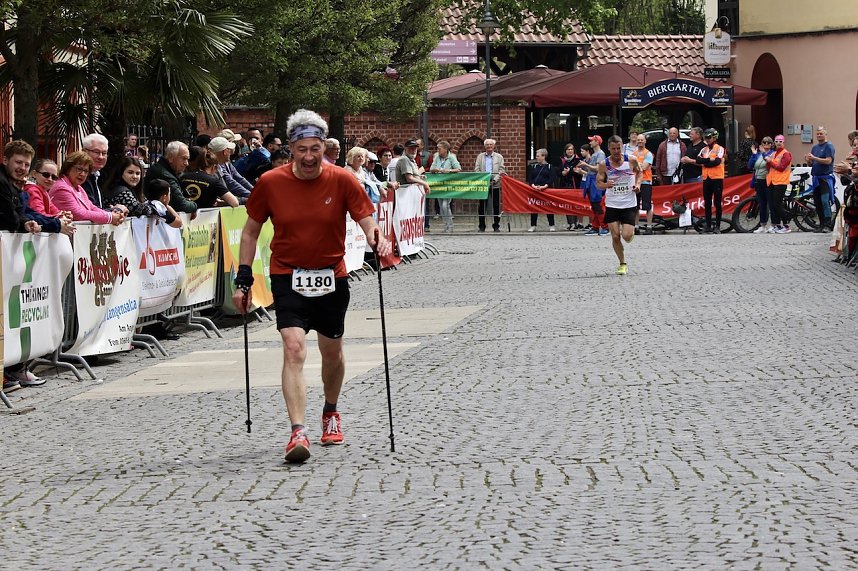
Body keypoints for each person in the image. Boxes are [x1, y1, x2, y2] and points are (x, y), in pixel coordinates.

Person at [231, 109, 392, 464]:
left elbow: (367, 220)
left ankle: (330, 411)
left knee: (331, 352)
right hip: (288, 276)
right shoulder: (270, 183)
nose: (308, 157)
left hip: (331, 276)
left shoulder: (342, 180)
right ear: (291, 148)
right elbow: (250, 231)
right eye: (301, 149)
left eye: (315, 149)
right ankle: (297, 430)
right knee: (293, 348)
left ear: (324, 148)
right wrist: (243, 276)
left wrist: (376, 239)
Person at [0, 140, 45, 393]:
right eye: (18, 162)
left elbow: (20, 211)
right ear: (6, 160)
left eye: (26, 164)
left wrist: (27, 222)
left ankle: (11, 369)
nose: (22, 168)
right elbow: (8, 214)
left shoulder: (14, 186)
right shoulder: (2, 183)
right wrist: (23, 222)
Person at [596, 135, 641, 275]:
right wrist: (606, 184)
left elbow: (640, 173)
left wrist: (638, 184)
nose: (616, 151)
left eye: (618, 148)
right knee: (615, 236)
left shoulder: (631, 160)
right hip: (612, 203)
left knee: (626, 236)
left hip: (628, 203)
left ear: (622, 146)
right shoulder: (604, 164)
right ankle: (622, 263)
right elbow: (598, 184)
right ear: (609, 148)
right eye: (613, 148)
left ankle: (630, 234)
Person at [50, 151, 127, 225]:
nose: (83, 174)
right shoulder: (61, 188)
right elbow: (78, 214)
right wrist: (109, 217)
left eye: (86, 171)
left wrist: (114, 215)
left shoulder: (79, 188)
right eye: (79, 169)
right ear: (68, 168)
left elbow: (92, 208)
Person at [145, 141, 197, 215]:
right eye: (184, 159)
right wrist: (194, 205)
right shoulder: (165, 175)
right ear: (171, 158)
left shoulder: (168, 172)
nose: (186, 163)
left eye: (187, 159)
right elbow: (182, 205)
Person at [692, 128, 726, 233]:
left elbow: (716, 162)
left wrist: (705, 162)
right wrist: (708, 161)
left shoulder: (720, 148)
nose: (707, 139)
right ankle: (708, 225)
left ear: (714, 138)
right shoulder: (704, 149)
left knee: (717, 202)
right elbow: (698, 160)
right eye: (706, 138)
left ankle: (718, 226)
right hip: (706, 179)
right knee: (707, 202)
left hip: (716, 178)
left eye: (709, 137)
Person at [805, 126, 836, 232]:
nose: (819, 135)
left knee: (824, 201)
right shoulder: (815, 147)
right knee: (817, 202)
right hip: (816, 178)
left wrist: (814, 158)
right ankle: (821, 224)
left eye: (821, 133)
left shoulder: (829, 146)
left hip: (825, 178)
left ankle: (828, 223)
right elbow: (812, 163)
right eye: (817, 134)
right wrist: (809, 160)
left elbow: (828, 161)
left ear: (825, 134)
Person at [474, 138, 506, 232]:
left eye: (491, 145)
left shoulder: (499, 157)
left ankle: (496, 225)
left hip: (495, 184)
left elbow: (502, 170)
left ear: (494, 146)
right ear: (484, 146)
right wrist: (482, 179)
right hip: (483, 184)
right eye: (487, 145)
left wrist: (495, 180)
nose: (489, 146)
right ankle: (482, 226)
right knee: (482, 206)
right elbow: (477, 169)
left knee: (496, 206)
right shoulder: (480, 157)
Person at [429, 141, 461, 233]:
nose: (438, 150)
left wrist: (449, 170)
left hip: (448, 185)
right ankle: (445, 225)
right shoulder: (437, 157)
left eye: (440, 148)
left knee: (445, 205)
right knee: (441, 206)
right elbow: (432, 168)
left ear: (445, 149)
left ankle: (450, 226)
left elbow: (458, 168)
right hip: (439, 185)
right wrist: (435, 170)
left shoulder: (451, 157)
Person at [395, 140, 432, 218]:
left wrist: (419, 178)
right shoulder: (404, 159)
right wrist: (424, 183)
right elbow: (409, 178)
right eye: (411, 148)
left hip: (412, 195)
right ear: (406, 149)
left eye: (415, 148)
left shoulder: (412, 160)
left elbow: (412, 176)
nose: (414, 150)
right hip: (405, 195)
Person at [577, 135, 606, 231]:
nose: (590, 143)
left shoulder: (600, 154)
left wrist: (586, 165)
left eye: (592, 141)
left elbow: (598, 169)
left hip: (595, 180)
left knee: (597, 204)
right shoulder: (595, 154)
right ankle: (595, 227)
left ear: (597, 142)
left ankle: (604, 226)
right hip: (591, 180)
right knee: (594, 205)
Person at [212, 132, 252, 200]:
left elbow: (240, 179)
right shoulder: (215, 168)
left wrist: (255, 191)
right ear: (225, 151)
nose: (236, 145)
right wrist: (253, 196)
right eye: (234, 142)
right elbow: (231, 183)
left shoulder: (226, 162)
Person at [766, 135, 793, 234]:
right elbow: (769, 166)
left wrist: (770, 162)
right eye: (776, 141)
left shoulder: (786, 154)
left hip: (781, 182)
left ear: (783, 142)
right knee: (773, 205)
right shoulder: (774, 154)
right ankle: (777, 225)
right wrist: (768, 161)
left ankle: (786, 225)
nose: (778, 143)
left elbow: (781, 167)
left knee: (778, 204)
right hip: (772, 181)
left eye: (780, 141)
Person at [748, 137, 775, 233]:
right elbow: (750, 165)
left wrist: (763, 153)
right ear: (761, 144)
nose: (766, 144)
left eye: (769, 142)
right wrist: (754, 155)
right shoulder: (758, 154)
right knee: (762, 203)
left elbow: (769, 163)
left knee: (771, 203)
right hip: (758, 180)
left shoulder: (773, 154)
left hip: (767, 180)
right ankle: (762, 225)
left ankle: (773, 224)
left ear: (772, 144)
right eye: (764, 142)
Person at [527, 148, 556, 232]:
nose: (537, 158)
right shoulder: (534, 166)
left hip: (546, 190)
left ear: (543, 156)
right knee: (534, 207)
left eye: (538, 156)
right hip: (535, 189)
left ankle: (551, 224)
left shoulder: (550, 167)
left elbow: (552, 178)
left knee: (548, 207)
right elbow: (530, 177)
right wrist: (533, 185)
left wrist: (545, 186)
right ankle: (533, 225)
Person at [631, 133, 654, 234]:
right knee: (635, 206)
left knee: (647, 205)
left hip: (646, 182)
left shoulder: (648, 153)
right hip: (635, 182)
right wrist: (638, 165)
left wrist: (637, 165)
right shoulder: (633, 154)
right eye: (638, 140)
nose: (640, 141)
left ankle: (649, 227)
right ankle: (636, 227)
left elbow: (644, 167)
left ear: (645, 141)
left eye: (642, 140)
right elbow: (631, 167)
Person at [557, 143, 583, 230]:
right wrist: (562, 173)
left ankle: (574, 223)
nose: (570, 151)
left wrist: (570, 171)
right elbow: (558, 171)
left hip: (574, 184)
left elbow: (579, 172)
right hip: (564, 184)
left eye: (571, 149)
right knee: (566, 205)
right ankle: (569, 223)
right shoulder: (561, 160)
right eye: (568, 149)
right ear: (565, 151)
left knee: (574, 205)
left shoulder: (578, 160)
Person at [81, 133, 110, 208]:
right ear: (84, 152)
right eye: (96, 152)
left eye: (104, 153)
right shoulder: (81, 177)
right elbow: (91, 208)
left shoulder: (100, 176)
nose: (101, 157)